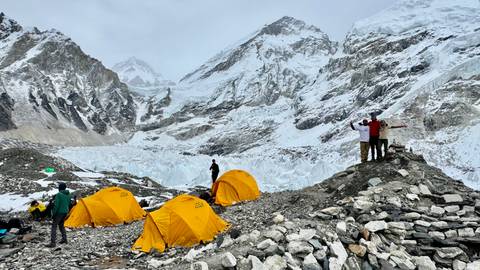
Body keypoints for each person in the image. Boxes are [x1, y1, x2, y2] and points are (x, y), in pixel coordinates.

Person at [46, 182, 71, 248]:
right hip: (65, 212)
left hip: (59, 212)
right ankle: (64, 239)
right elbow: (69, 204)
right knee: (61, 225)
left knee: (54, 226)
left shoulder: (59, 195)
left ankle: (53, 243)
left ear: (59, 188)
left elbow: (56, 205)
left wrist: (53, 214)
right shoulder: (68, 195)